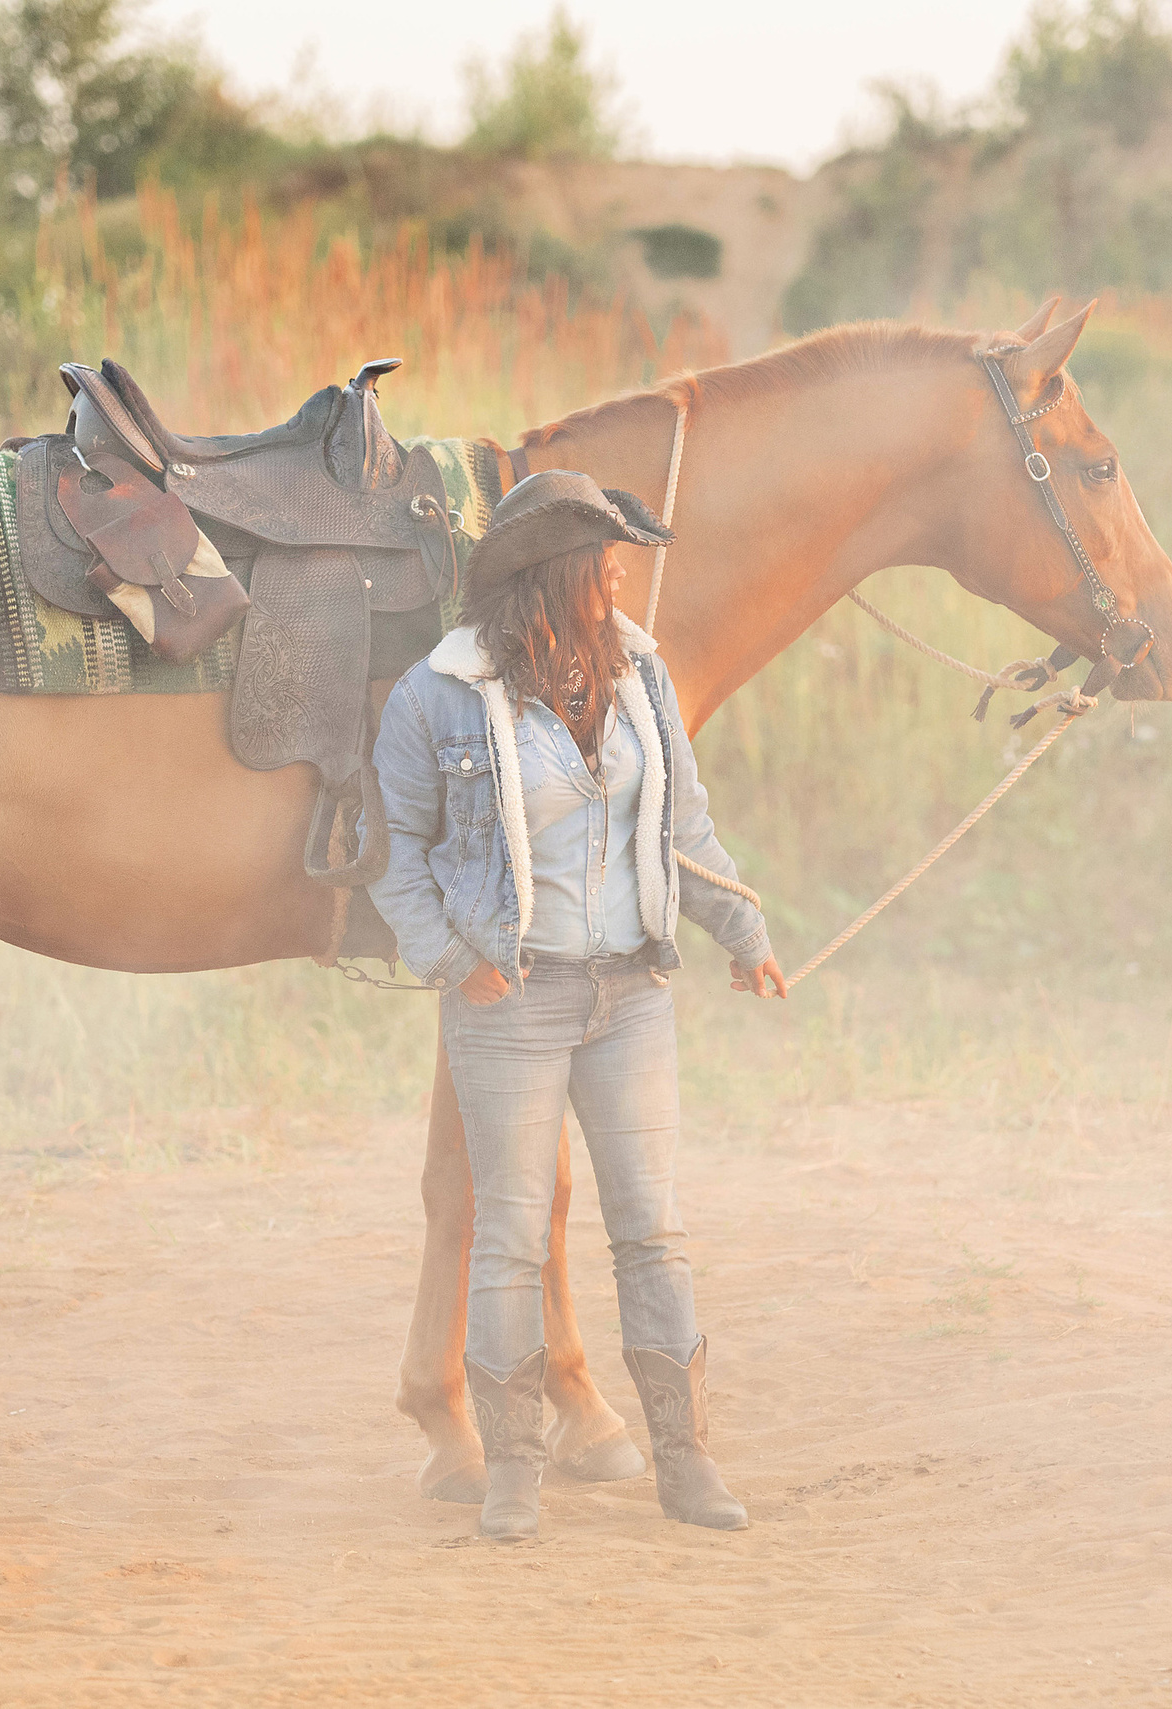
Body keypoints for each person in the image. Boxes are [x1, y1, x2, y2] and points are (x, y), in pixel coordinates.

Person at [368, 469, 788, 1541]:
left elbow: (682, 829)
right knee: (508, 1233)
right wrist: (452, 959)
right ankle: (513, 1468)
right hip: (512, 997)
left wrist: (744, 935)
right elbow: (393, 854)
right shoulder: (438, 695)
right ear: (547, 576)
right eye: (601, 563)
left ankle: (683, 1459)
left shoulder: (638, 678)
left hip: (631, 990)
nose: (619, 577)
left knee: (652, 1229)